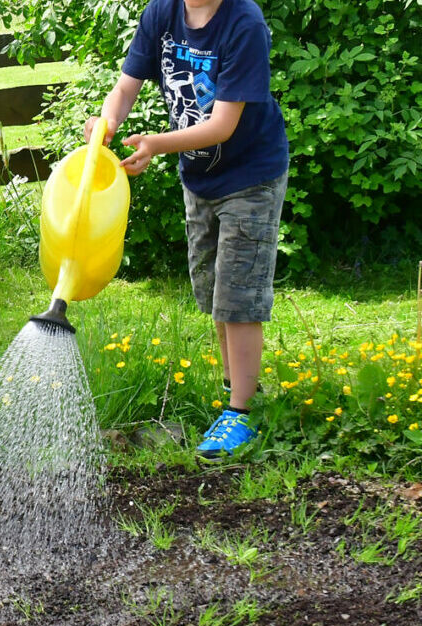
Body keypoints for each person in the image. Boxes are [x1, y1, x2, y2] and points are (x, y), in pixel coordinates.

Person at [88, 0, 288, 459]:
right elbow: (125, 87)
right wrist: (108, 121)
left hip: (251, 177)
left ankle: (241, 413)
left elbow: (221, 125)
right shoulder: (162, 14)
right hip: (200, 180)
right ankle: (235, 388)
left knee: (238, 296)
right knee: (213, 288)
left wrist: (156, 144)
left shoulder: (244, 24)